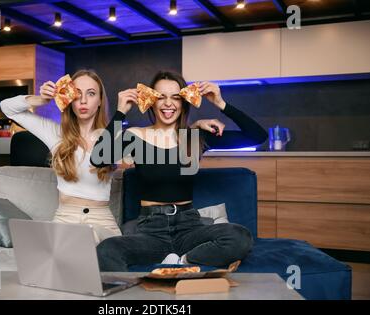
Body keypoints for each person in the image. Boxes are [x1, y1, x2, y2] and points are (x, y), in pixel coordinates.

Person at [90, 70, 268, 271]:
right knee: (107, 250)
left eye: (175, 97)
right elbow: (98, 158)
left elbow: (257, 136)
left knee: (239, 236)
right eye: (161, 97)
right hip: (150, 228)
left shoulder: (194, 137)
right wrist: (120, 111)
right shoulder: (135, 136)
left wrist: (220, 103)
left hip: (189, 226)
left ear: (184, 102)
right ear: (151, 101)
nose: (168, 104)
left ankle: (182, 261)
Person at [0, 70, 121, 243]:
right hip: (66, 218)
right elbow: (7, 108)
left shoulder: (113, 137)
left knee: (89, 244)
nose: (83, 100)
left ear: (100, 100)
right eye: (77, 94)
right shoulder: (55, 134)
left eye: (91, 93)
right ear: (69, 99)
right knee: (41, 254)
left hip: (102, 222)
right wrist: (41, 100)